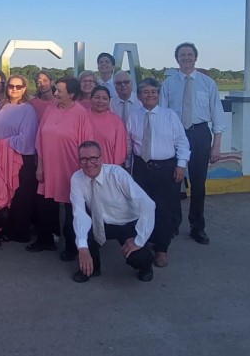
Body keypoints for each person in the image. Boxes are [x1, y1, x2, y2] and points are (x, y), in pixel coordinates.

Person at [159, 42, 226, 246]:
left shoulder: (208, 83)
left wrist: (216, 145)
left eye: (189, 55)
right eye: (182, 55)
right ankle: (172, 223)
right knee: (173, 181)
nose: (186, 58)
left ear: (195, 58)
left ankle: (197, 226)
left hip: (200, 133)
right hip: (176, 134)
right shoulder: (168, 84)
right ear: (176, 59)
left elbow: (217, 115)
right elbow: (162, 113)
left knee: (198, 183)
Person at [69, 141, 156, 283]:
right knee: (80, 233)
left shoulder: (117, 174)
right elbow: (79, 213)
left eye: (93, 158)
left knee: (137, 256)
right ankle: (91, 268)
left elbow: (148, 204)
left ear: (101, 158)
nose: (89, 163)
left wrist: (139, 240)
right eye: (84, 159)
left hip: (127, 222)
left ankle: (146, 266)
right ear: (79, 161)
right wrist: (83, 249)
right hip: (100, 221)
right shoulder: (76, 178)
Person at [127, 78, 190, 268]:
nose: (150, 95)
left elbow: (182, 142)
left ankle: (162, 249)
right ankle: (144, 244)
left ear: (159, 95)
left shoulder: (170, 115)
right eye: (146, 92)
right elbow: (129, 145)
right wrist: (127, 170)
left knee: (164, 210)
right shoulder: (134, 116)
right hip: (141, 168)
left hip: (165, 169)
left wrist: (181, 165)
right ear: (139, 96)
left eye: (154, 92)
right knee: (142, 209)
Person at [33, 76, 94, 259]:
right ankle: (45, 240)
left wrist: (85, 172)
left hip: (71, 169)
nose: (56, 93)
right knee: (45, 206)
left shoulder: (81, 113)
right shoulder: (51, 109)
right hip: (49, 167)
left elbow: (87, 145)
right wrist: (40, 165)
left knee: (71, 210)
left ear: (72, 94)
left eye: (60, 90)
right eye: (56, 89)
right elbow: (40, 138)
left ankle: (72, 247)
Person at [0, 74, 39, 243]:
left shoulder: (28, 110)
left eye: (18, 86)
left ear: (24, 89)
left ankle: (20, 232)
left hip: (20, 159)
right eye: (11, 86)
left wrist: (1, 142)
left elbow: (27, 138)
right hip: (0, 157)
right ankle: (4, 228)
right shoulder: (0, 106)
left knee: (20, 196)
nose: (14, 89)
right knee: (3, 193)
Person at [87, 86, 128, 166]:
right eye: (97, 97)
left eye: (104, 98)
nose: (100, 101)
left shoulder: (116, 121)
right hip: (84, 167)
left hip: (108, 169)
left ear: (109, 101)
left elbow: (120, 152)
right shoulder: (82, 117)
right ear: (90, 99)